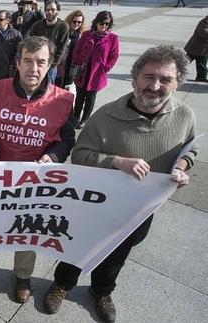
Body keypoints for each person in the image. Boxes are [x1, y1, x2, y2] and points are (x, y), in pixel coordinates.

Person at [43, 45, 197, 323]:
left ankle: (101, 290)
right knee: (78, 245)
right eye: (149, 77)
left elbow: (190, 151)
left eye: (165, 79)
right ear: (135, 78)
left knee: (118, 253)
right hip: (95, 204)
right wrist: (116, 162)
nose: (155, 86)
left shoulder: (185, 116)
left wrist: (183, 169)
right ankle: (62, 284)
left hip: (140, 209)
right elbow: (80, 156)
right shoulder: (106, 115)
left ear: (177, 83)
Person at [0, 36, 75, 304]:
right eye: (28, 61)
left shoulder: (62, 101)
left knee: (26, 228)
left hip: (33, 181)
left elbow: (68, 139)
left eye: (41, 62)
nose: (33, 68)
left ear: (50, 65)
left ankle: (23, 274)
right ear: (17, 62)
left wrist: (52, 156)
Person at [72, 11, 119, 129]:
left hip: (97, 73)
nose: (104, 26)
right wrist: (77, 62)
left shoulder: (113, 38)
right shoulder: (87, 34)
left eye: (107, 24)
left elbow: (114, 55)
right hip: (83, 71)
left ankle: (84, 119)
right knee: (79, 96)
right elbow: (77, 49)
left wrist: (106, 67)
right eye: (101, 23)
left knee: (91, 98)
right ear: (96, 22)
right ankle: (75, 117)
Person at [29, 0, 70, 84]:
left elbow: (61, 49)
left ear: (58, 11)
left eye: (52, 10)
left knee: (48, 89)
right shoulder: (37, 25)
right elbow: (30, 43)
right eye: (47, 10)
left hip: (50, 66)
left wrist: (51, 65)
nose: (49, 12)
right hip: (36, 64)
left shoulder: (63, 26)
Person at [55, 9, 85, 90]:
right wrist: (58, 64)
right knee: (56, 89)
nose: (77, 24)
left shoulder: (80, 36)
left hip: (72, 69)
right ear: (70, 20)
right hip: (60, 67)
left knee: (67, 89)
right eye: (74, 21)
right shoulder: (62, 32)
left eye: (79, 22)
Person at [184, 16, 208, 82]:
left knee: (202, 64)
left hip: (203, 50)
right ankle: (174, 71)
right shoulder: (203, 23)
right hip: (194, 47)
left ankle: (201, 77)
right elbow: (204, 33)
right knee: (184, 62)